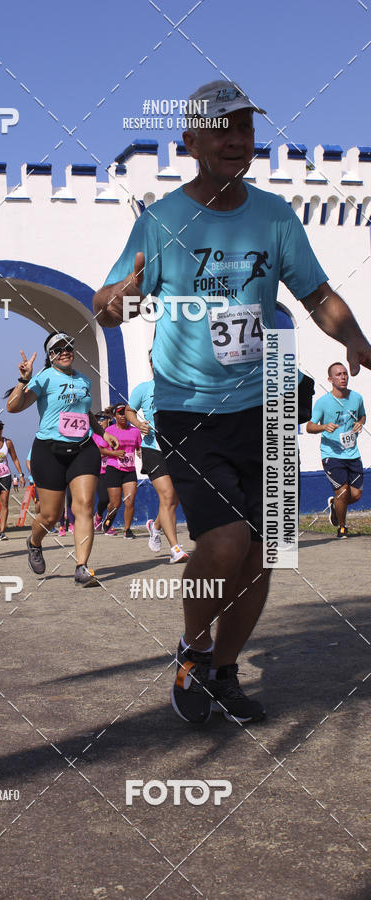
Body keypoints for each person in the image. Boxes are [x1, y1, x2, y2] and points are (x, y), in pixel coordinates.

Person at [93, 79, 371, 724]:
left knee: (262, 552)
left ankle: (224, 672)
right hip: (190, 409)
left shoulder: (274, 215)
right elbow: (109, 309)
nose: (236, 141)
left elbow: (317, 295)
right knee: (223, 544)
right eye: (221, 130)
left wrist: (355, 337)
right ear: (189, 141)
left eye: (244, 129)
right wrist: (122, 296)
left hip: (267, 405)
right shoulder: (161, 220)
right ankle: (192, 653)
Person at [6, 331, 118, 586]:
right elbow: (13, 407)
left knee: (84, 506)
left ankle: (82, 567)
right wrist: (23, 380)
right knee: (50, 515)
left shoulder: (84, 380)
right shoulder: (44, 378)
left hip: (83, 448)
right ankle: (34, 543)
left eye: (69, 347)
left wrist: (102, 433)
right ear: (50, 355)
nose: (65, 351)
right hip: (49, 450)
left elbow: (84, 411)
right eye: (58, 349)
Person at [126, 357, 189, 563]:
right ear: (151, 364)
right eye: (155, 361)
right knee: (168, 496)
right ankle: (175, 549)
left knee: (173, 499)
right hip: (153, 448)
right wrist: (138, 424)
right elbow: (129, 410)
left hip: (177, 448)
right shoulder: (144, 388)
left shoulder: (179, 387)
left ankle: (155, 527)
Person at [306, 362, 366, 538]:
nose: (343, 377)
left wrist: (359, 423)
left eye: (345, 374)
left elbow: (362, 415)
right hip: (331, 454)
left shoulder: (356, 398)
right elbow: (309, 426)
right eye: (339, 374)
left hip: (352, 453)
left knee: (356, 494)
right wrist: (324, 427)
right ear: (330, 379)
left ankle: (334, 504)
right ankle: (342, 527)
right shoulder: (323, 402)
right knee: (342, 491)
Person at [101, 404, 142, 539]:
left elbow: (139, 447)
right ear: (115, 416)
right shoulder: (109, 431)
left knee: (130, 500)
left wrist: (140, 452)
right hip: (113, 468)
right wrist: (115, 453)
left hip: (130, 470)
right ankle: (108, 521)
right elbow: (101, 450)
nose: (123, 416)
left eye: (125, 413)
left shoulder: (135, 431)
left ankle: (127, 530)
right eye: (120, 414)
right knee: (115, 503)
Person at [0, 420, 25, 540]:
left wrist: (21, 474)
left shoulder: (7, 443)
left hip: (5, 476)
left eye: (0, 427)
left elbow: (15, 459)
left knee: (4, 503)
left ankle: (2, 531)